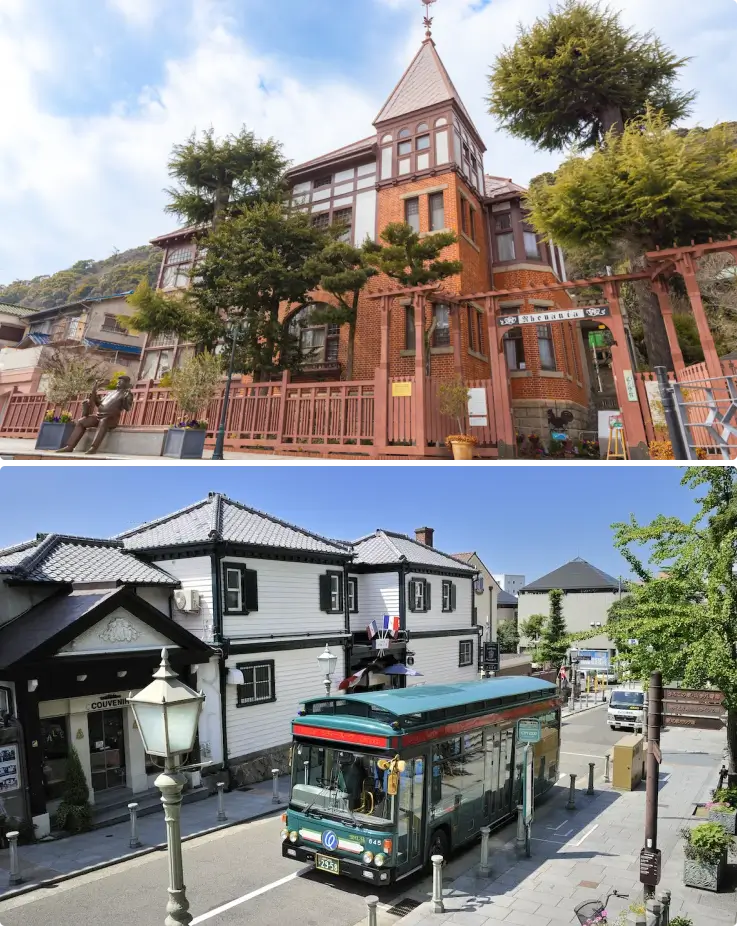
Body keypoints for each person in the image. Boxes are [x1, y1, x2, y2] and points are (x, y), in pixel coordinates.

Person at [56, 376, 134, 454]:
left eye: (121, 381)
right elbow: (99, 404)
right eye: (118, 381)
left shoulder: (126, 394)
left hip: (111, 419)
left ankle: (93, 447)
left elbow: (127, 408)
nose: (118, 382)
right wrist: (95, 396)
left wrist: (126, 398)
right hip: (99, 416)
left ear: (126, 383)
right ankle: (70, 446)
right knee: (81, 421)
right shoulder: (111, 393)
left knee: (103, 421)